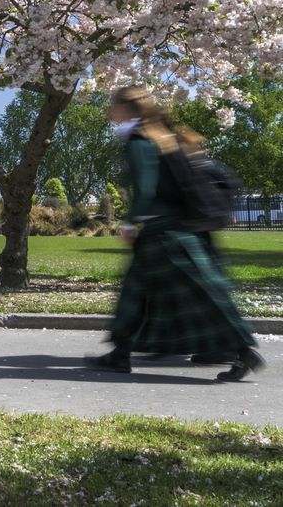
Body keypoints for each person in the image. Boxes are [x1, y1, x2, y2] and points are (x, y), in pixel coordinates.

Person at [87, 87, 265, 381]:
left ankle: (243, 351)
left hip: (163, 233)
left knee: (191, 296)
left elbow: (145, 188)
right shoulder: (164, 137)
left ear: (126, 108)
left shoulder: (139, 140)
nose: (110, 110)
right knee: (142, 294)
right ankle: (120, 354)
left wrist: (131, 222)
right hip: (175, 230)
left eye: (113, 105)